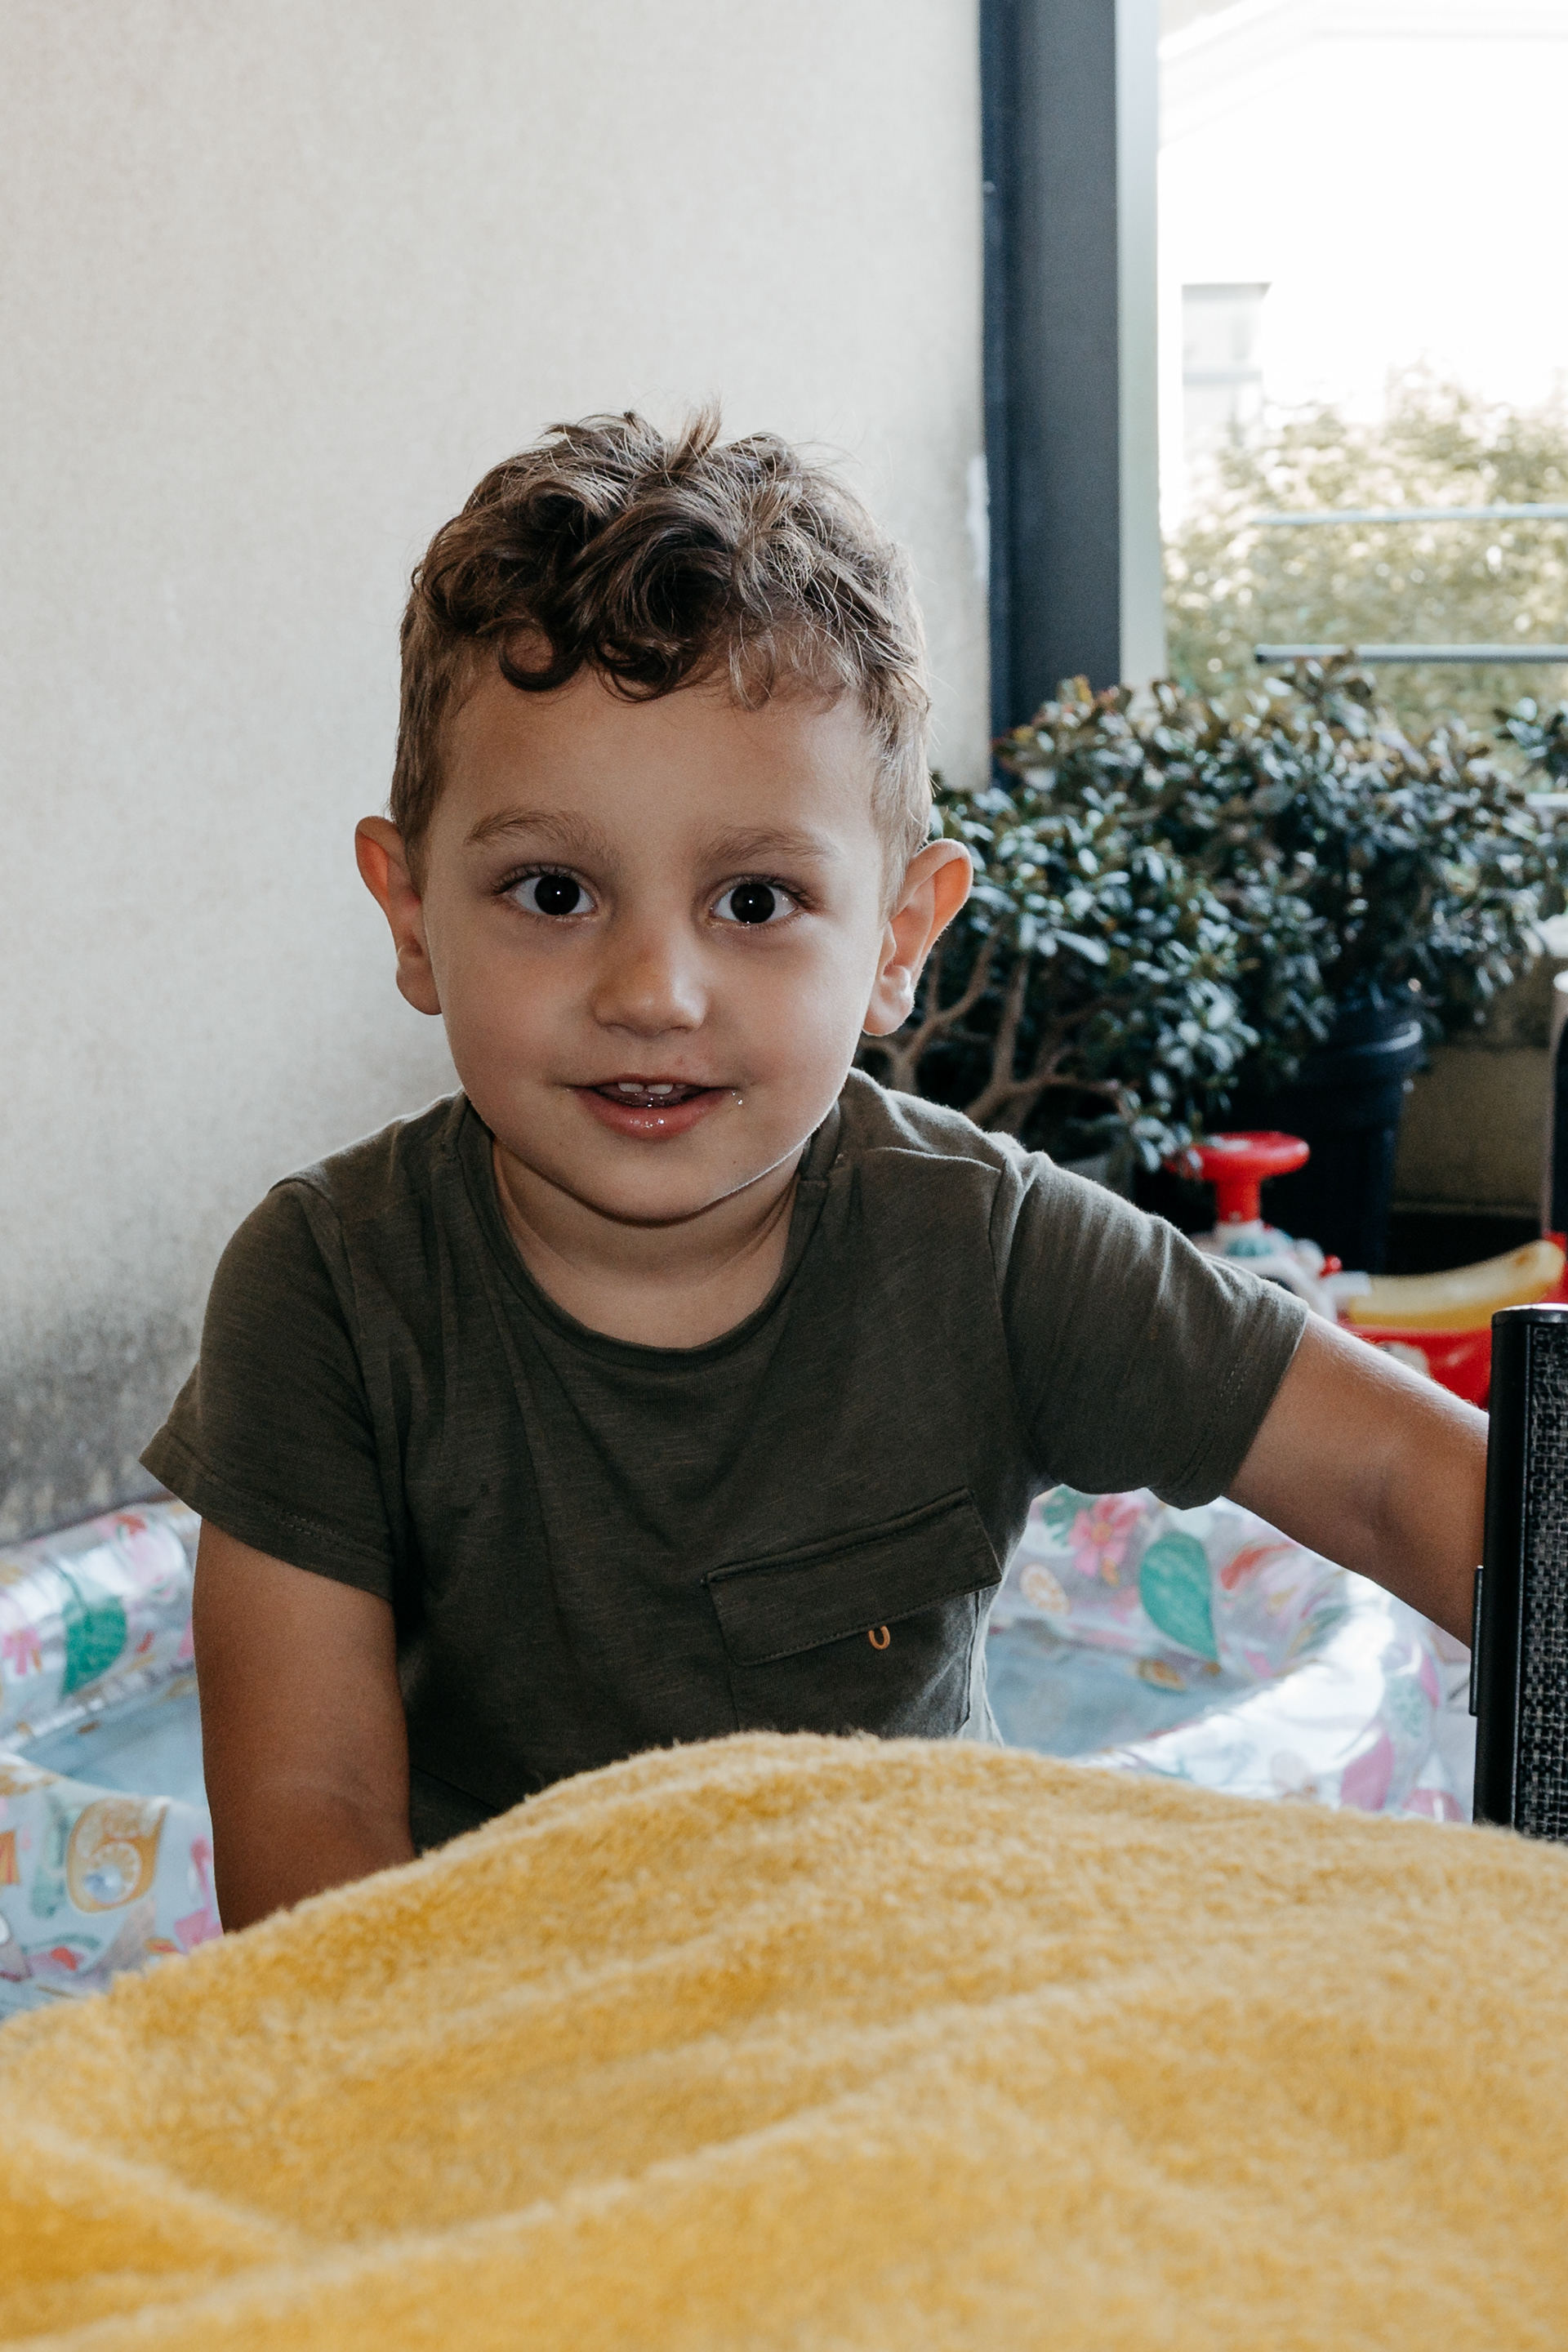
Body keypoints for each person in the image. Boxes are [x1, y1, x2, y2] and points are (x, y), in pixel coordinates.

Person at [143, 411, 1487, 1932]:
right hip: (504, 2030)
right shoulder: (328, 1290)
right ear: (410, 917)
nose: (654, 992)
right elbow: (312, 1825)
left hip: (909, 2008)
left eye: (756, 901)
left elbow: (1403, 1479)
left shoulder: (991, 1253)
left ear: (900, 937)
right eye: (555, 891)